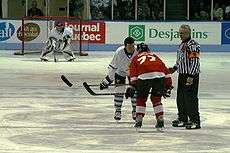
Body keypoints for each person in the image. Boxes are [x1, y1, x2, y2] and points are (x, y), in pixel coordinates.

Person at [125, 43, 172, 131]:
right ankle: (160, 118)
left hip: (144, 78)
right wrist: (168, 86)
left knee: (141, 99)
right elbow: (166, 71)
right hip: (159, 77)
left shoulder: (136, 58)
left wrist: (133, 86)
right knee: (156, 99)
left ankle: (139, 119)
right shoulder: (155, 56)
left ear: (138, 51)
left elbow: (133, 75)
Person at [169, 24, 201, 129]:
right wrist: (173, 68)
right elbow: (180, 61)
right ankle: (183, 118)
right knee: (181, 98)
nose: (180, 35)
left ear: (188, 33)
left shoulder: (193, 45)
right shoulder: (181, 45)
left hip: (190, 75)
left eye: (182, 33)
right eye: (179, 33)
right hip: (182, 75)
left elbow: (195, 61)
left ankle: (195, 121)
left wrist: (191, 76)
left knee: (190, 98)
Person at [99, 37, 138, 121]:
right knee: (119, 91)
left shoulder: (138, 51)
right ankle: (118, 111)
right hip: (121, 72)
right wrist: (107, 81)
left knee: (135, 91)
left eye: (132, 46)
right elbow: (113, 67)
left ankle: (135, 111)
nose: (131, 49)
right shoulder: (119, 52)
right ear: (125, 46)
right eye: (129, 47)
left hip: (134, 73)